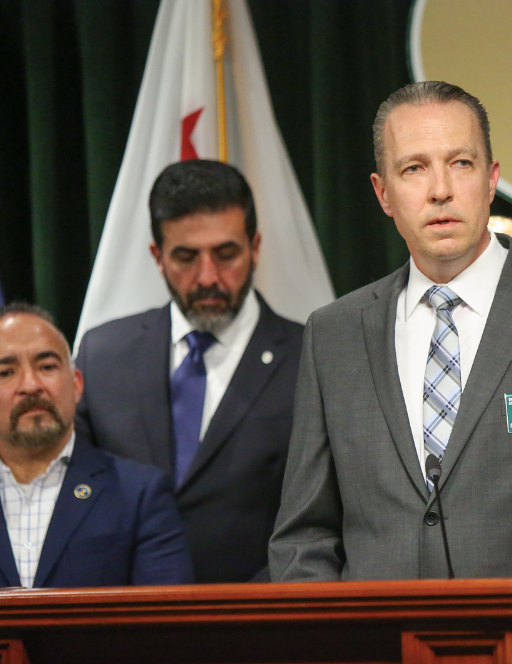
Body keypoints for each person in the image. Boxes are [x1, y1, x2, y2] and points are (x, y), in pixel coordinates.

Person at [268, 81, 512, 635]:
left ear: (491, 178)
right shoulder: (333, 333)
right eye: (414, 168)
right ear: (383, 193)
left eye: (460, 163)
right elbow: (304, 536)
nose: (440, 189)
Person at [75, 160, 303, 583]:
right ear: (157, 257)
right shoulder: (102, 356)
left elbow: (325, 521)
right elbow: (77, 506)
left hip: (264, 629)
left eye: (226, 254)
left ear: (255, 247)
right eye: (185, 257)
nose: (207, 277)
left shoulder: (313, 359)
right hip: (125, 630)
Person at [0, 304, 192, 590]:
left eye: (47, 367)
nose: (31, 385)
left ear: (77, 384)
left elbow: (165, 626)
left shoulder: (140, 495)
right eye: (6, 372)